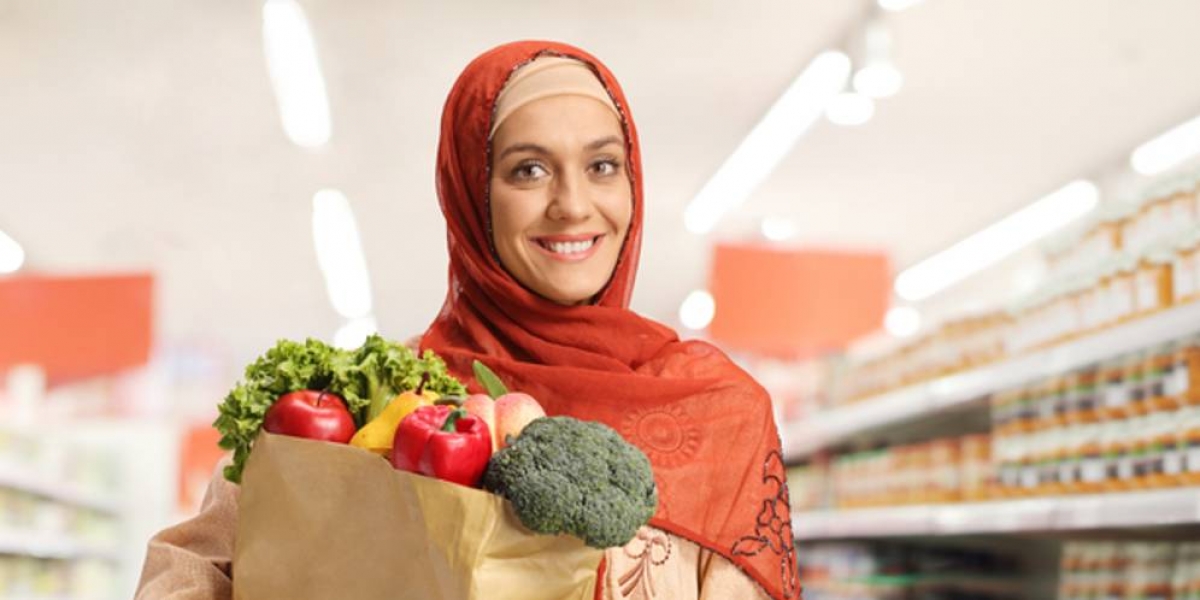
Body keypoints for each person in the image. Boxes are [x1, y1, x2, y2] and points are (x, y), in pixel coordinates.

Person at [136, 40, 799, 600]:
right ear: (470, 195)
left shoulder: (720, 414)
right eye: (528, 170)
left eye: (602, 166)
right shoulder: (377, 403)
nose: (572, 205)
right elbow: (193, 567)